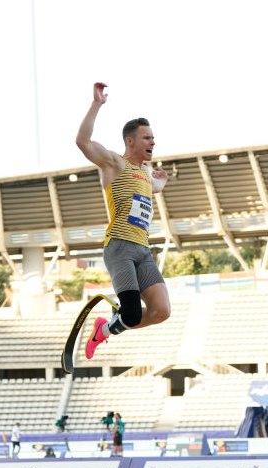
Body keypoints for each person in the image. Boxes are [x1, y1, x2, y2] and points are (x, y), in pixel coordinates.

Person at [75, 82, 171, 360]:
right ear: (131, 141)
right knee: (130, 312)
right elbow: (83, 142)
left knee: (161, 311)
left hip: (143, 251)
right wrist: (96, 104)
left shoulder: (144, 173)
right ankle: (109, 325)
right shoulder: (115, 164)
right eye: (146, 138)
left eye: (153, 138)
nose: (152, 142)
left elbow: (152, 186)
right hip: (120, 247)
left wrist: (160, 183)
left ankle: (103, 330)